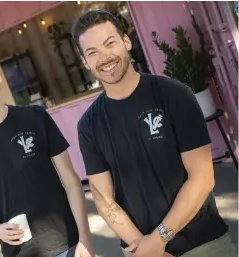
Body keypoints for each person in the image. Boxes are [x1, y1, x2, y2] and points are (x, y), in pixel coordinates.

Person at [72, 10, 236, 257]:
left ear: (126, 42)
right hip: (140, 249)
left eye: (110, 44)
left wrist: (158, 240)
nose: (104, 57)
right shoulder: (89, 125)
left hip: (202, 244)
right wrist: (145, 248)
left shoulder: (174, 95)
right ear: (84, 62)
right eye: (92, 52)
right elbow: (103, 199)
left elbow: (202, 177)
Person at [0, 50, 94, 257]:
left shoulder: (35, 117)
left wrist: (85, 239)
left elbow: (71, 181)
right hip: (19, 251)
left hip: (68, 242)